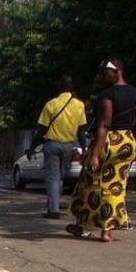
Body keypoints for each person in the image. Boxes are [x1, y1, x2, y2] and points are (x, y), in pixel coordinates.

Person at [67, 59, 136, 243]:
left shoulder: (107, 94)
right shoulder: (135, 93)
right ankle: (107, 227)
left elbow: (104, 125)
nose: (102, 76)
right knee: (117, 186)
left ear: (117, 71)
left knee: (91, 184)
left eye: (105, 73)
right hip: (127, 140)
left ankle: (95, 228)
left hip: (108, 142)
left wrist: (93, 155)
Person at [27, 75, 88, 218]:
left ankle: (54, 210)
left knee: (53, 177)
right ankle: (54, 204)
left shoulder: (51, 104)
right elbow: (81, 131)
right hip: (69, 146)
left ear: (59, 88)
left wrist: (32, 147)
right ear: (71, 88)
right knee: (60, 177)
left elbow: (41, 129)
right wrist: (84, 148)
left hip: (52, 145)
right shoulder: (79, 105)